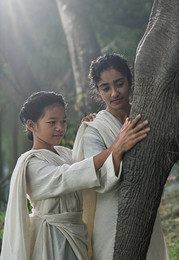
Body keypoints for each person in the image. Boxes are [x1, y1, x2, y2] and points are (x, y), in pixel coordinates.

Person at [0, 91, 149, 260]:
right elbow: (69, 176)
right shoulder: (31, 163)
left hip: (76, 232)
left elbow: (87, 165)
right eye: (52, 122)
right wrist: (115, 147)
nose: (60, 127)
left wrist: (85, 131)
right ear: (32, 125)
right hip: (51, 237)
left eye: (63, 121)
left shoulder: (63, 153)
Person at [72, 54, 169, 260]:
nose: (114, 93)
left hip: (145, 208)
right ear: (98, 91)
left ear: (130, 81)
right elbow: (96, 177)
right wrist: (118, 147)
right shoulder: (94, 129)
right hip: (111, 218)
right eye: (105, 88)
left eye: (119, 84)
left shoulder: (146, 116)